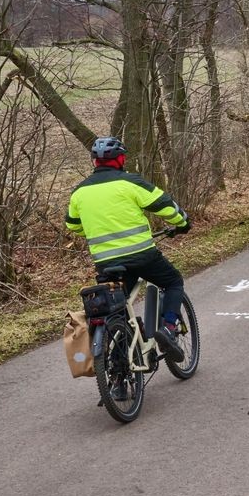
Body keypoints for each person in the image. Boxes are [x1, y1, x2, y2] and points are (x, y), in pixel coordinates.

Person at [66, 137, 191, 362]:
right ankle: (169, 328)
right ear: (121, 159)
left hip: (106, 262)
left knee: (118, 309)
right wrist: (182, 222)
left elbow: (73, 225)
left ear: (94, 162)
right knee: (173, 282)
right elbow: (164, 204)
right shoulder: (130, 183)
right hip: (143, 256)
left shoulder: (79, 192)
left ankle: (119, 378)